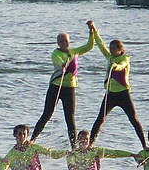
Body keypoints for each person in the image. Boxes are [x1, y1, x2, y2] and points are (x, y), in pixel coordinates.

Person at [30, 20, 98, 148]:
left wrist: (91, 31)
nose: (64, 43)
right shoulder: (56, 53)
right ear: (58, 43)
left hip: (70, 88)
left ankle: (74, 146)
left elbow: (89, 46)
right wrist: (62, 65)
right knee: (47, 114)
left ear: (69, 42)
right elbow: (58, 60)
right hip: (56, 86)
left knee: (70, 118)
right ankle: (32, 139)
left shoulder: (74, 52)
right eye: (61, 41)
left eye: (66, 41)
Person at [90, 36, 147, 149]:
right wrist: (93, 30)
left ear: (120, 50)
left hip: (123, 94)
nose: (110, 51)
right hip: (110, 94)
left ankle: (144, 145)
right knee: (100, 118)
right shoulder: (109, 57)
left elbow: (122, 66)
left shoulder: (125, 58)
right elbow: (101, 46)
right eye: (110, 48)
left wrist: (115, 66)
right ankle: (90, 144)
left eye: (113, 49)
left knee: (133, 119)